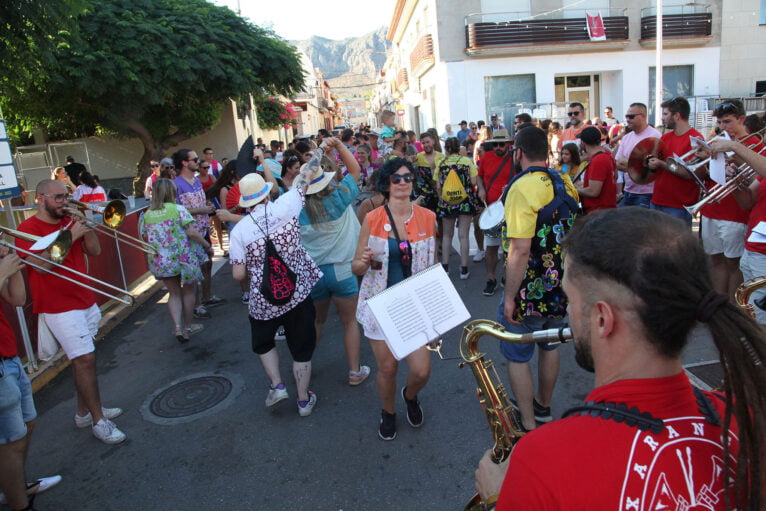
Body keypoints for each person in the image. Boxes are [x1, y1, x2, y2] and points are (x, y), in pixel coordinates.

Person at [475, 207, 765, 511]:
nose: (569, 314)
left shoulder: (543, 459)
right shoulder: (747, 417)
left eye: (570, 299)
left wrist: (498, 498)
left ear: (602, 318)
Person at [16, 179, 125, 444]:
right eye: (58, 198)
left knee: (83, 358)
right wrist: (72, 235)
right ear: (39, 198)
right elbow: (39, 267)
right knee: (85, 359)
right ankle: (99, 421)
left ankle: (84, 411)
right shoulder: (27, 228)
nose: (65, 202)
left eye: (66, 197)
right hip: (58, 305)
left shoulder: (69, 221)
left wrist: (85, 226)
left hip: (83, 297)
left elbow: (95, 250)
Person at [499, 127, 578, 433]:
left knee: (518, 352)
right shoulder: (565, 181)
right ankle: (543, 406)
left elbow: (519, 250)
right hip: (562, 285)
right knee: (551, 346)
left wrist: (509, 296)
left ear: (518, 152)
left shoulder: (522, 188)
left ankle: (529, 422)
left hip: (530, 289)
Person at [352, 157, 437, 440]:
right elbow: (356, 267)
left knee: (422, 371)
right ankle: (388, 412)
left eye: (407, 177)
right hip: (380, 304)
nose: (403, 183)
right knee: (387, 368)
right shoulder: (372, 218)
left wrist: (436, 317)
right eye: (396, 178)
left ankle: (410, 396)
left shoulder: (428, 217)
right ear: (386, 183)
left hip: (414, 307)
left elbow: (433, 267)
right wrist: (362, 262)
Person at [229, 162, 322, 416]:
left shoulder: (239, 231)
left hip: (264, 300)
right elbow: (304, 176)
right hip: (298, 292)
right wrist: (318, 153)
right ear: (267, 194)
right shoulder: (288, 204)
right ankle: (303, 401)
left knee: (264, 342)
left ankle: (278, 385)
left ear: (244, 203)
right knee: (301, 347)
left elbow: (238, 273)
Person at [298, 137, 370, 386]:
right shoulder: (340, 197)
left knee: (317, 321)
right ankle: (354, 372)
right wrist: (339, 146)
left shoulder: (297, 207)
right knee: (349, 322)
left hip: (314, 274)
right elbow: (355, 170)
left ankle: (303, 365)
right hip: (343, 269)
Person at [0, 246, 61, 511]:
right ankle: (19, 503)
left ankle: (13, 485)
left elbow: (17, 298)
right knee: (10, 442)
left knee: (27, 425)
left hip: (9, 356)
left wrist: (8, 263)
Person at [699, 100, 759, 299]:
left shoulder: (753, 144)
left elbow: (756, 179)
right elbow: (709, 174)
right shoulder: (717, 140)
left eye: (728, 122)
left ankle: (731, 309)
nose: (723, 128)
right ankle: (718, 305)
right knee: (716, 260)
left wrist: (737, 160)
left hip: (735, 214)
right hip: (712, 209)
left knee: (734, 264)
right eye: (720, 123)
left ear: (741, 119)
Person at [142, 178, 212, 342]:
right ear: (172, 192)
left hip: (161, 260)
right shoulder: (178, 209)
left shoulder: (148, 214)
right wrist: (206, 245)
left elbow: (146, 236)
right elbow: (192, 233)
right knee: (189, 291)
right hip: (183, 257)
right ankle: (188, 326)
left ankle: (177, 327)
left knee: (173, 294)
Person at [711, 127, 766, 324]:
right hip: (753, 246)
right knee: (751, 313)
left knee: (761, 319)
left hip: (763, 251)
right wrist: (733, 182)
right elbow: (748, 201)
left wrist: (735, 146)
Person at [172, 149, 223, 319]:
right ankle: (196, 305)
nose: (197, 161)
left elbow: (200, 201)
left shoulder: (196, 181)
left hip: (204, 229)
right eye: (194, 159)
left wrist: (207, 205)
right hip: (190, 233)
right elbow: (176, 210)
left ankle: (207, 297)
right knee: (193, 270)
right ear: (185, 163)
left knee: (207, 263)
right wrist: (200, 209)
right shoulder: (177, 184)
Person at [646, 97, 705, 226]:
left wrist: (661, 164)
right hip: (657, 200)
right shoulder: (665, 137)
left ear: (677, 116)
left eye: (665, 114)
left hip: (678, 205)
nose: (662, 118)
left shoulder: (696, 139)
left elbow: (688, 173)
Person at [434, 137, 479, 279]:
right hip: (465, 201)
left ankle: (446, 267)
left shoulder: (441, 163)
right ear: (458, 149)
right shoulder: (466, 161)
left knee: (447, 235)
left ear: (446, 149)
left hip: (447, 202)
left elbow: (437, 186)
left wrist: (443, 197)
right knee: (463, 235)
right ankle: (464, 269)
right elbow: (473, 181)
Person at [476, 130, 514, 296]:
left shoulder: (516, 159)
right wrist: (481, 189)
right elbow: (479, 176)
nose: (498, 147)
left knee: (510, 248)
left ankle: (508, 277)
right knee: (491, 247)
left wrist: (512, 186)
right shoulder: (486, 157)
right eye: (495, 144)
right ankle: (491, 278)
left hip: (511, 210)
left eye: (501, 144)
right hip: (492, 208)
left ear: (508, 144)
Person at [615, 102, 661, 208]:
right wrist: (636, 165)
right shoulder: (627, 137)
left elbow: (652, 167)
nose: (627, 119)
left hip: (646, 194)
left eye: (631, 116)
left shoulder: (654, 135)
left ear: (643, 116)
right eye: (626, 116)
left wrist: (629, 164)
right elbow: (617, 162)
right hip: (628, 191)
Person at [575, 126, 617, 213]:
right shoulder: (606, 154)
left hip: (599, 212)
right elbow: (614, 177)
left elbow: (593, 191)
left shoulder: (598, 160)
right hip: (604, 211)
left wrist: (574, 190)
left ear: (583, 143)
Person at [412, 132, 443, 213]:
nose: (426, 145)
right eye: (423, 143)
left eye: (427, 142)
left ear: (433, 141)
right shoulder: (418, 157)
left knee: (440, 220)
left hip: (439, 194)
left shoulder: (442, 157)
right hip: (424, 196)